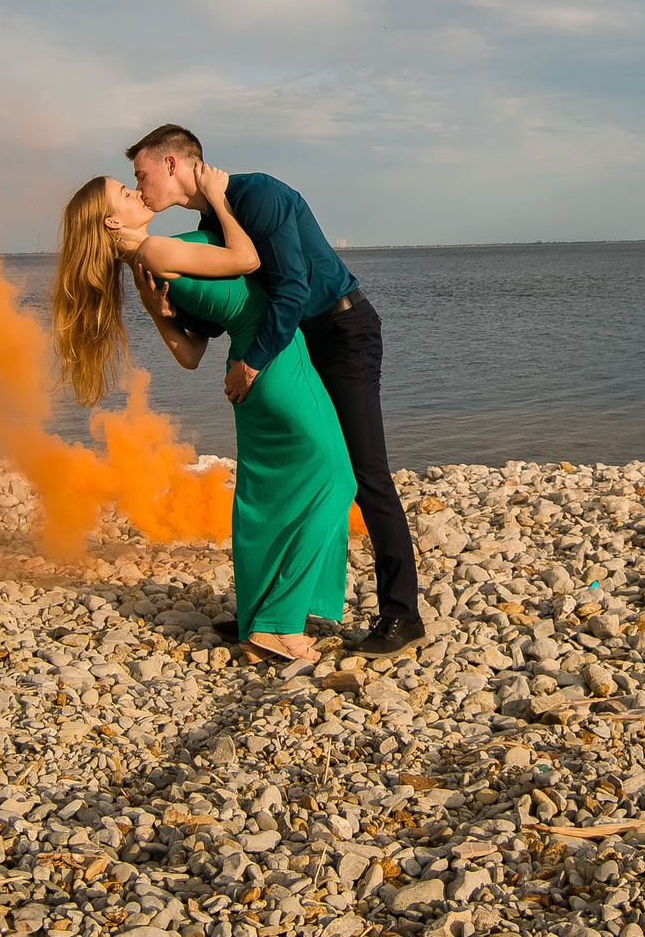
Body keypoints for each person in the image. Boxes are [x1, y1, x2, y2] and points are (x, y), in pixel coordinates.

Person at [119, 125, 426, 656]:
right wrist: (167, 309)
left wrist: (252, 363)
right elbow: (229, 312)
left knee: (364, 470)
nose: (139, 186)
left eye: (141, 174)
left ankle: (402, 615)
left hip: (342, 332)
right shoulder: (213, 219)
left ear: (172, 164)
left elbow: (291, 288)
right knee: (287, 472)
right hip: (295, 342)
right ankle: (269, 608)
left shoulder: (258, 195)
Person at [51, 169, 353, 665]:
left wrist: (156, 311)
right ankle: (278, 626)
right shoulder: (155, 251)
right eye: (125, 193)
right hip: (272, 365)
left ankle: (263, 623)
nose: (135, 191)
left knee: (268, 494)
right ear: (110, 222)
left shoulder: (143, 262)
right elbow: (248, 258)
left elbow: (190, 356)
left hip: (250, 364)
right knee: (335, 482)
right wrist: (215, 194)